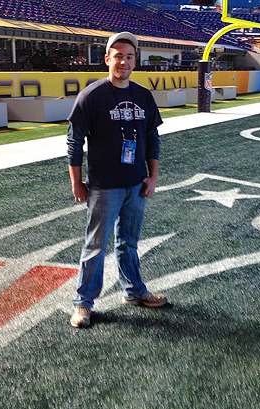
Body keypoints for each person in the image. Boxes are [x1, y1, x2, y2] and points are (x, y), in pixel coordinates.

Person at [66, 32, 167, 328]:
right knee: (95, 246)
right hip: (104, 186)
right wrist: (76, 182)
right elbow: (74, 142)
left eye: (130, 56)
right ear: (107, 59)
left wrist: (152, 177)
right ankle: (83, 304)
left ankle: (133, 291)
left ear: (136, 61)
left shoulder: (142, 95)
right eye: (118, 55)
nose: (124, 61)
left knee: (129, 243)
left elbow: (152, 139)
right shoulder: (92, 96)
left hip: (135, 184)